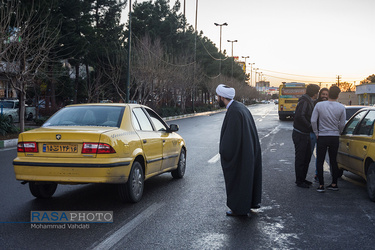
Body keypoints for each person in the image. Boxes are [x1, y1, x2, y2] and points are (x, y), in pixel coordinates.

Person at [216, 84, 262, 217]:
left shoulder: (235, 111)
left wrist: (225, 152)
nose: (216, 98)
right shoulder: (240, 107)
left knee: (238, 181)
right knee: (245, 180)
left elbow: (231, 138)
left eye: (217, 96)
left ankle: (239, 208)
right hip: (246, 152)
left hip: (241, 155)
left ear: (222, 97)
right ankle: (246, 205)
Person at [311, 85, 346, 192]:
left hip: (322, 136)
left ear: (329, 93)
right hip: (334, 136)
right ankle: (334, 183)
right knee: (333, 160)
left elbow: (313, 120)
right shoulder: (341, 107)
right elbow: (342, 124)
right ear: (338, 95)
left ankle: (321, 185)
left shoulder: (320, 105)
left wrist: (316, 132)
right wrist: (338, 132)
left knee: (320, 160)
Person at [292, 84, 320, 188]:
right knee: (301, 158)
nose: (318, 94)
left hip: (306, 134)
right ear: (314, 93)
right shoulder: (304, 101)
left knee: (307, 157)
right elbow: (300, 116)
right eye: (317, 92)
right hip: (300, 134)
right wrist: (310, 126)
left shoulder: (309, 101)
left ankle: (303, 179)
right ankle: (299, 181)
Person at [311, 88, 329, 182]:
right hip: (314, 132)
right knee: (309, 154)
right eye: (323, 94)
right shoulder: (315, 104)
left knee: (320, 155)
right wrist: (315, 131)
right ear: (319, 94)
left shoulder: (330, 105)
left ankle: (318, 174)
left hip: (324, 133)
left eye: (326, 94)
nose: (324, 96)